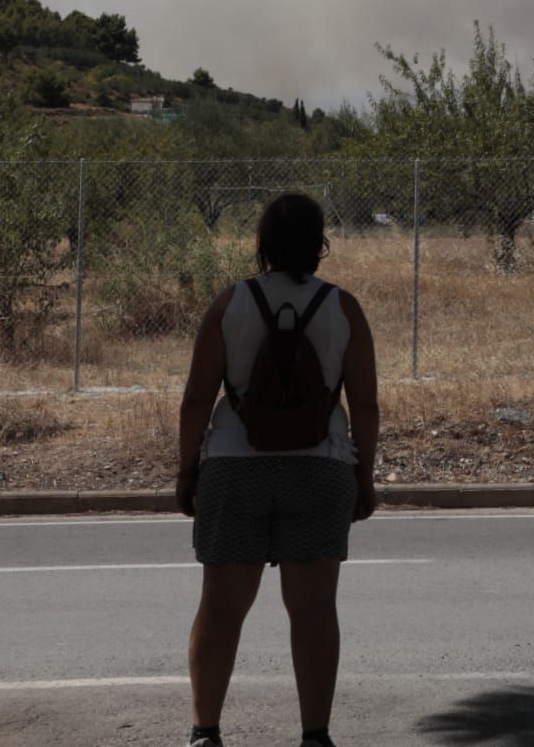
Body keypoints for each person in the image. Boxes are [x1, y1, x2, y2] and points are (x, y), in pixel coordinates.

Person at [175, 193, 380, 747]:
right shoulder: (345, 309)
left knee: (221, 606)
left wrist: (186, 471)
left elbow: (197, 398)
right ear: (320, 246)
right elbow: (364, 406)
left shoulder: (229, 304)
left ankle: (205, 732)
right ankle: (315, 736)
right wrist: (364, 477)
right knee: (313, 610)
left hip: (234, 467)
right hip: (321, 467)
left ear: (262, 244)